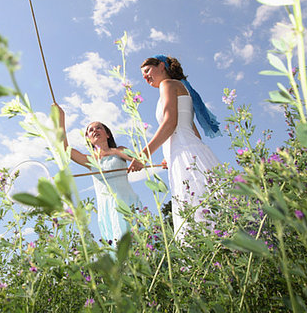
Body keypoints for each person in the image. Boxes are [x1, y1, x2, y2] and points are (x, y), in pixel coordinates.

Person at [128, 55, 220, 239]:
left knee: (196, 209)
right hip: (191, 153)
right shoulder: (180, 87)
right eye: (143, 75)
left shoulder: (168, 85)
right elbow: (193, 132)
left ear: (161, 66)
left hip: (186, 154)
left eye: (147, 71)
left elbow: (170, 123)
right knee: (206, 205)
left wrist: (143, 155)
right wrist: (169, 156)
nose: (145, 77)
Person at [54, 103, 140, 244]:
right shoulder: (89, 160)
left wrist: (112, 151)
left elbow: (138, 158)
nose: (94, 130)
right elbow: (64, 149)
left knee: (141, 246)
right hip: (107, 208)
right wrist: (61, 118)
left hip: (127, 202)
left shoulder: (120, 150)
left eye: (98, 127)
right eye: (90, 130)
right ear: (88, 138)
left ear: (107, 134)